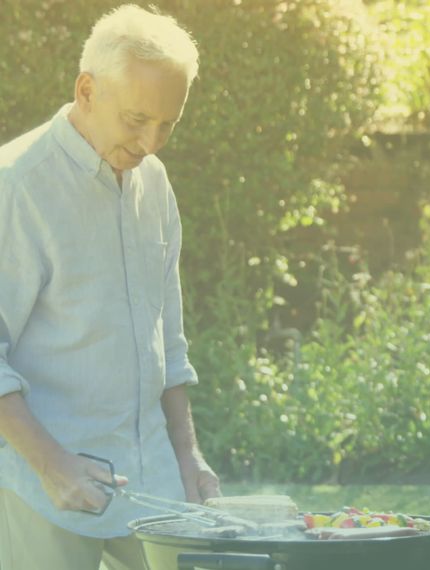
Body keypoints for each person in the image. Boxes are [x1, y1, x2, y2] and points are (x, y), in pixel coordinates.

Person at [0, 6, 219, 570]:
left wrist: (188, 455)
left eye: (168, 124)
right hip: (42, 490)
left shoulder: (155, 182)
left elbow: (167, 335)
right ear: (87, 89)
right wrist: (52, 465)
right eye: (137, 119)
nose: (151, 143)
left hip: (154, 488)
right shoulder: (16, 186)